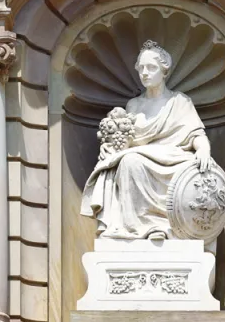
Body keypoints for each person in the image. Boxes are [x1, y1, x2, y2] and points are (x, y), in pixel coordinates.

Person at [81, 40, 213, 240]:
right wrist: (109, 149)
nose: (145, 72)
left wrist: (203, 149)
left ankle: (168, 226)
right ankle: (137, 228)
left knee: (134, 159)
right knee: (128, 161)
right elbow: (126, 141)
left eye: (151, 67)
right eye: (141, 68)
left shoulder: (179, 101)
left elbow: (196, 134)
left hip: (174, 159)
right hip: (140, 159)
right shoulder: (133, 105)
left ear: (164, 71)